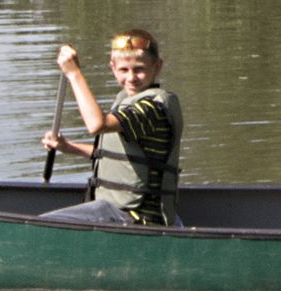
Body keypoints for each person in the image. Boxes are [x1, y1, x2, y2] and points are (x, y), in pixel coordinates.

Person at [39, 29, 181, 227]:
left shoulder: (151, 108)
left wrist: (74, 73)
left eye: (139, 69)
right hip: (119, 211)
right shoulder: (128, 103)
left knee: (44, 223)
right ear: (113, 68)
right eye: (124, 70)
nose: (131, 77)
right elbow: (117, 157)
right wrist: (68, 146)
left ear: (156, 67)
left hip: (137, 218)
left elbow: (97, 124)